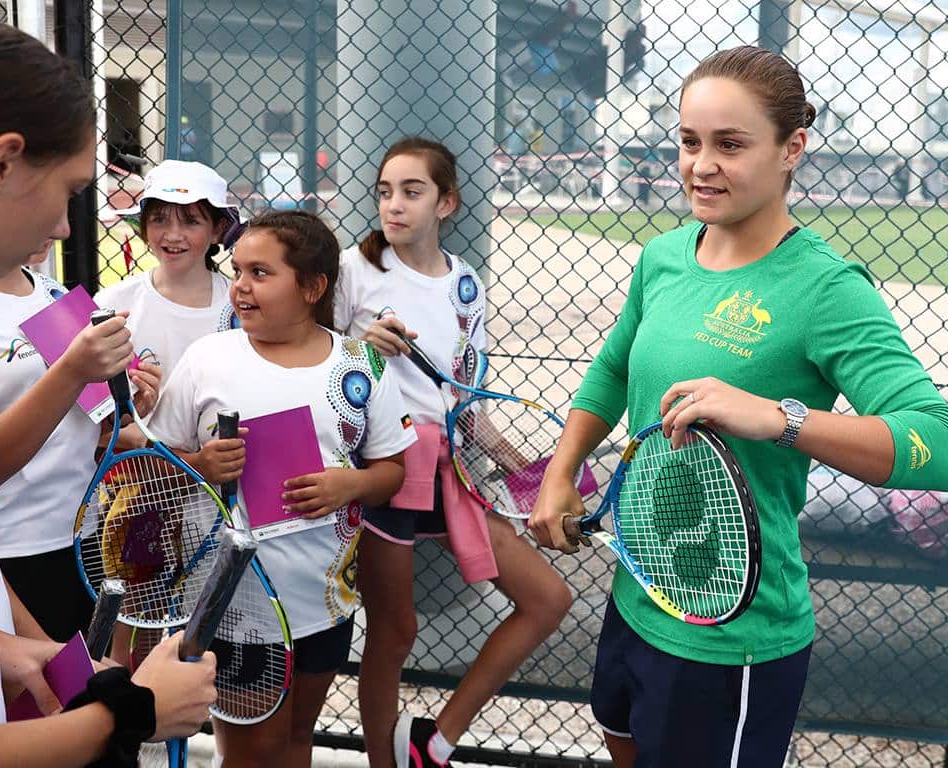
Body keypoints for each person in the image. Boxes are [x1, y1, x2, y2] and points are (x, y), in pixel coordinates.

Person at [529, 45, 948, 768]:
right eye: (689, 142)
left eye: (730, 144)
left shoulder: (826, 290)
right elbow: (612, 367)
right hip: (637, 596)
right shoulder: (662, 256)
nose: (700, 165)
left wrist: (779, 417)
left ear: (793, 149)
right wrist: (561, 470)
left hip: (734, 636)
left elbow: (934, 441)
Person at [0, 22, 215, 765]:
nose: (62, 224)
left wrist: (19, 651)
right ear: (1, 164)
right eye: (71, 192)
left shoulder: (49, 297)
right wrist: (131, 716)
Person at [334, 136, 572, 768]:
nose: (394, 205)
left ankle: (432, 744)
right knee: (396, 627)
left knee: (548, 600)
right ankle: (384, 762)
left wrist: (535, 473)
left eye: (412, 192)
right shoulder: (356, 270)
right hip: (384, 467)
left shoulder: (466, 284)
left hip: (453, 469)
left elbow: (464, 401)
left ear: (448, 203)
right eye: (386, 191)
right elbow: (314, 355)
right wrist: (356, 343)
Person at [148, 209, 415, 768]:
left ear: (313, 287)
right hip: (238, 609)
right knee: (253, 755)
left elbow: (393, 471)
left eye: (261, 273)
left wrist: (351, 484)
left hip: (324, 604)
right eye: (238, 269)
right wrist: (201, 462)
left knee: (297, 740)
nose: (240, 286)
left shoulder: (359, 365)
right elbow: (155, 463)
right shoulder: (208, 359)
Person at [0, 242, 161, 642]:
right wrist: (72, 371)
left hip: (83, 542)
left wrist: (126, 402)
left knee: (83, 687)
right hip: (7, 553)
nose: (62, 227)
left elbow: (89, 427)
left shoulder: (55, 293)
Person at [95, 158, 244, 384]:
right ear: (144, 227)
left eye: (190, 222)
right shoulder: (113, 303)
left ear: (217, 230)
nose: (173, 235)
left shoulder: (239, 305)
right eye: (159, 220)